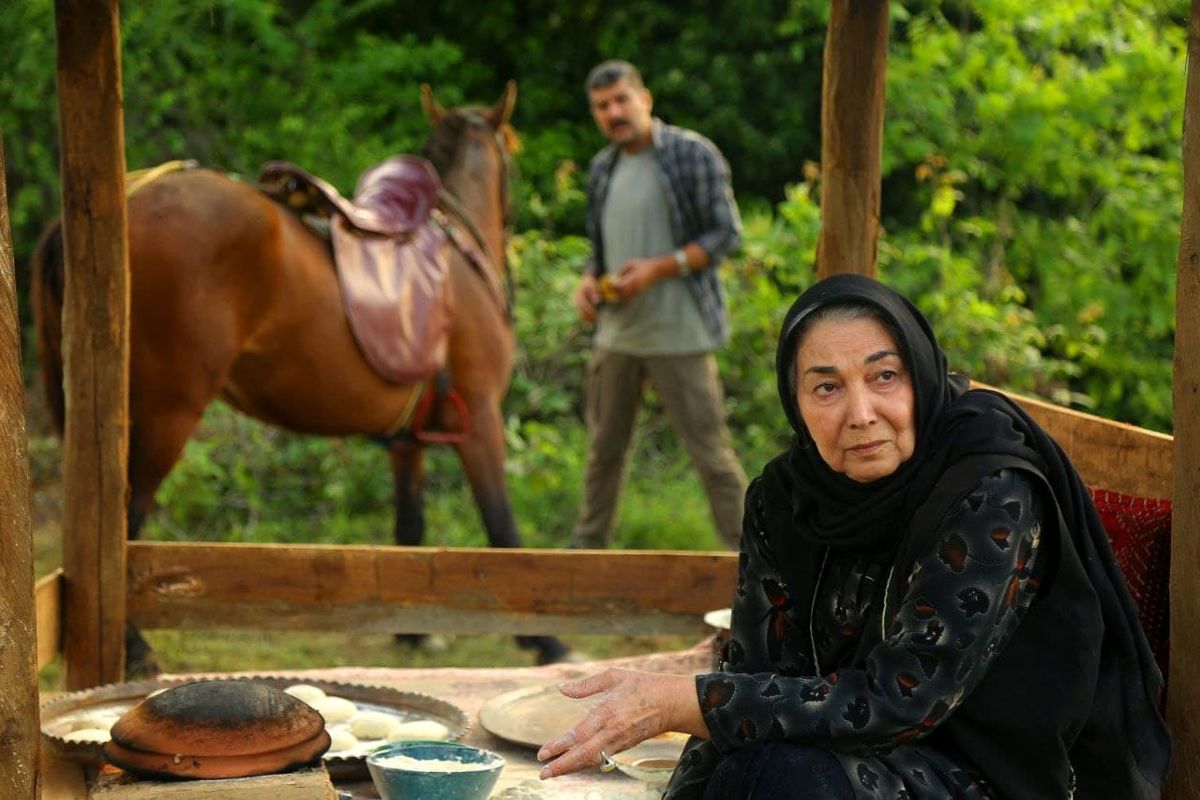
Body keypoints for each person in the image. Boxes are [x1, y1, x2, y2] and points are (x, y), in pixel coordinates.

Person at [537, 274, 1171, 799]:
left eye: (884, 376)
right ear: (796, 401)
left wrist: (683, 702)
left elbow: (904, 701)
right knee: (740, 775)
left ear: (919, 375)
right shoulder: (783, 501)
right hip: (834, 749)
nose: (861, 413)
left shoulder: (988, 487)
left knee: (778, 779)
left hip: (986, 772)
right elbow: (755, 675)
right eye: (827, 387)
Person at [571, 59, 747, 550]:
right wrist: (588, 281)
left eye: (622, 100)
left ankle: (752, 561)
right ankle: (584, 560)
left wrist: (656, 268)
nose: (614, 112)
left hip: (681, 334)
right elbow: (600, 249)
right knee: (602, 456)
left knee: (711, 455)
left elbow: (725, 234)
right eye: (602, 106)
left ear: (645, 100)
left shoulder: (691, 154)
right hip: (618, 336)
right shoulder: (602, 169)